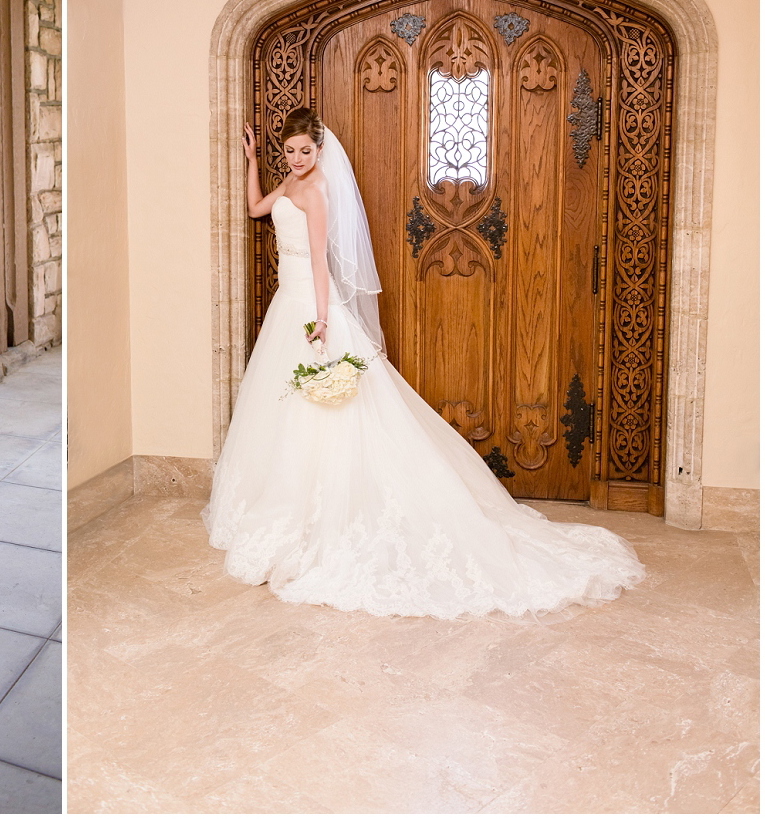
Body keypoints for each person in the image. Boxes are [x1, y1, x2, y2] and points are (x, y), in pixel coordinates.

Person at [202, 107, 644, 619]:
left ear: (320, 151)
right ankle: (286, 506)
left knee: (332, 413)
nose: (297, 160)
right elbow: (257, 209)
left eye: (305, 151)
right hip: (289, 305)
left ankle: (331, 517)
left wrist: (322, 321)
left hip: (309, 308)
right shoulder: (287, 182)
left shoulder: (318, 192)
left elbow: (321, 261)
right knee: (288, 411)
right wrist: (252, 161)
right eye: (290, 152)